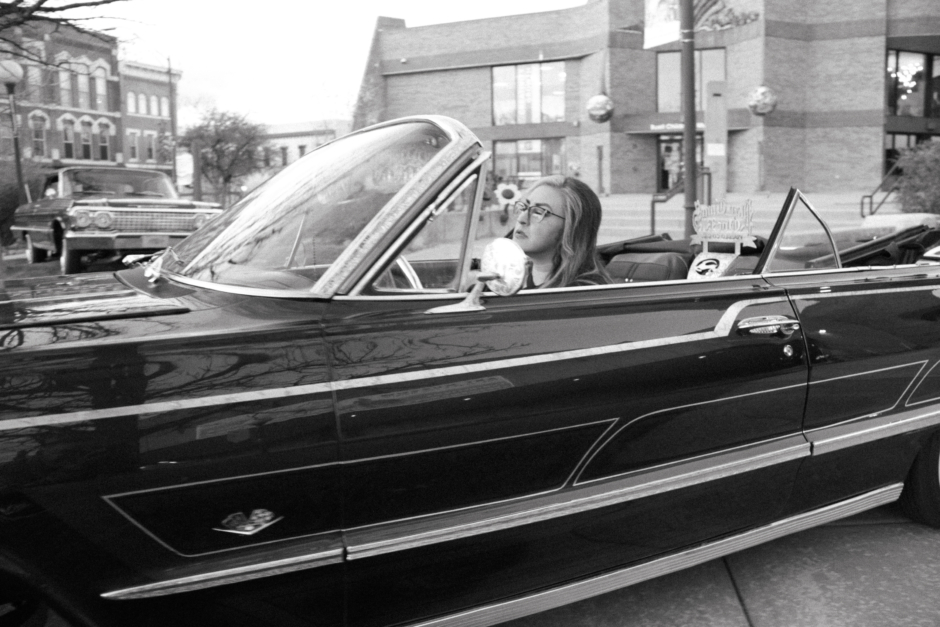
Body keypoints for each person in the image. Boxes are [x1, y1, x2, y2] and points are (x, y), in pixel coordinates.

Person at [510, 175, 611, 288]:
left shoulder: (584, 291)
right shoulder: (509, 278)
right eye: (524, 207)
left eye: (538, 212)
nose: (521, 219)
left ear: (571, 228)